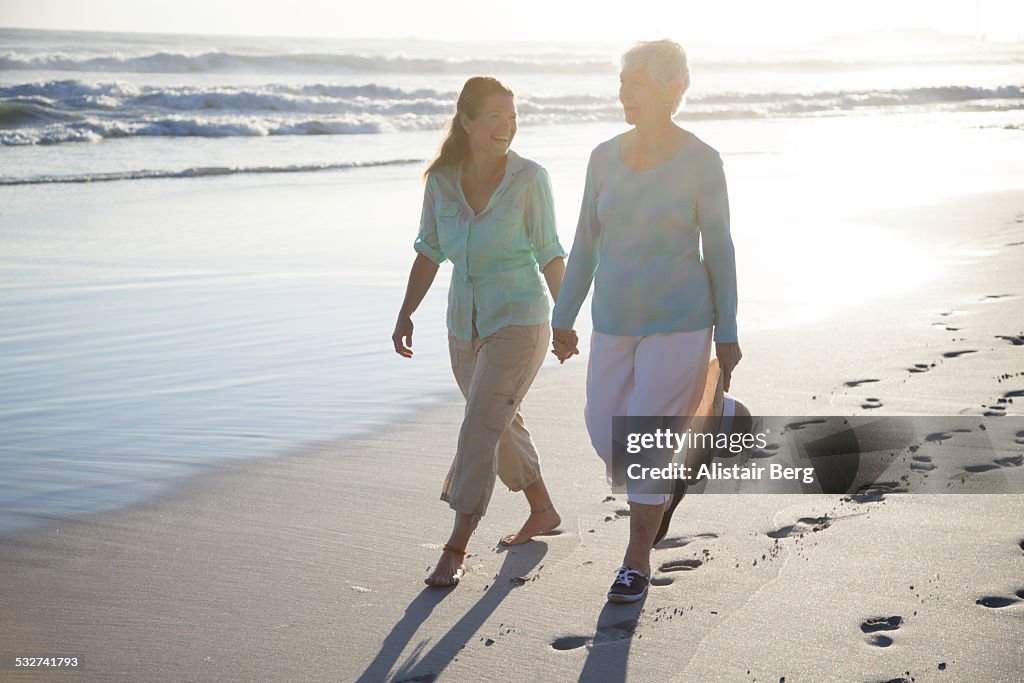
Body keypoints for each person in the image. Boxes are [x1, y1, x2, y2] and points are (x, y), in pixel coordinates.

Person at [550, 40, 741, 603]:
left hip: (681, 321)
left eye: (633, 82)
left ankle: (636, 560)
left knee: (643, 440)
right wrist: (564, 315)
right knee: (605, 430)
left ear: (667, 89)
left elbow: (720, 248)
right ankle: (721, 417)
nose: (622, 92)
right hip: (613, 318)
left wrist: (726, 330)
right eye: (621, 81)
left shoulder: (702, 160)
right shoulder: (603, 156)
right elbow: (585, 242)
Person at [392, 76, 568, 588]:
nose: (507, 126)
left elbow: (551, 251)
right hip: (463, 325)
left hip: (520, 320)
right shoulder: (442, 180)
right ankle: (543, 510)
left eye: (512, 116)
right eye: (495, 116)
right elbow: (429, 250)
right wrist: (406, 313)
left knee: (478, 426)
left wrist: (566, 319)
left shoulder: (530, 178)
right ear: (466, 121)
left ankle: (456, 545)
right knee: (497, 420)